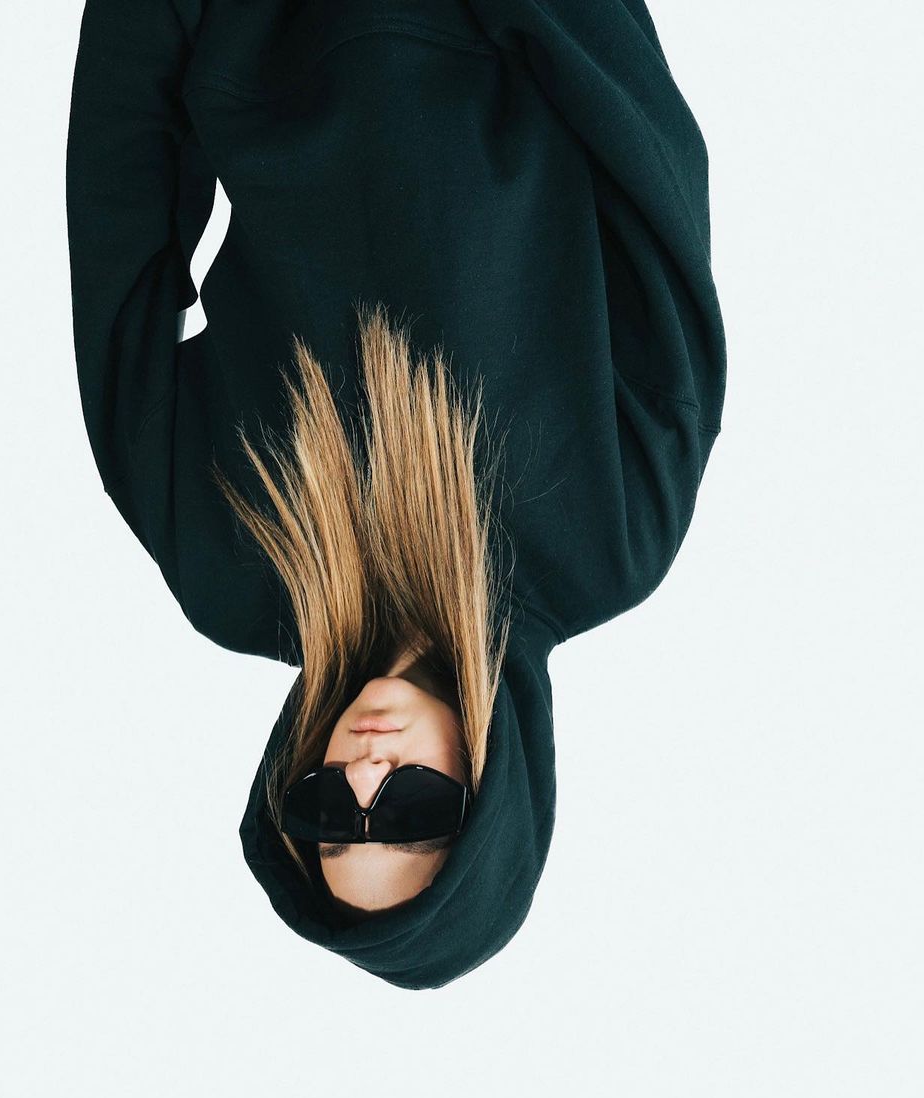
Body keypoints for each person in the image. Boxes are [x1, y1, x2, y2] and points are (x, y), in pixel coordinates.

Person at [65, 0, 727, 989]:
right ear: (493, 798)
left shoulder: (226, 570)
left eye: (330, 816)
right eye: (414, 813)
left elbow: (120, 237)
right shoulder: (612, 537)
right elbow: (655, 186)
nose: (369, 771)